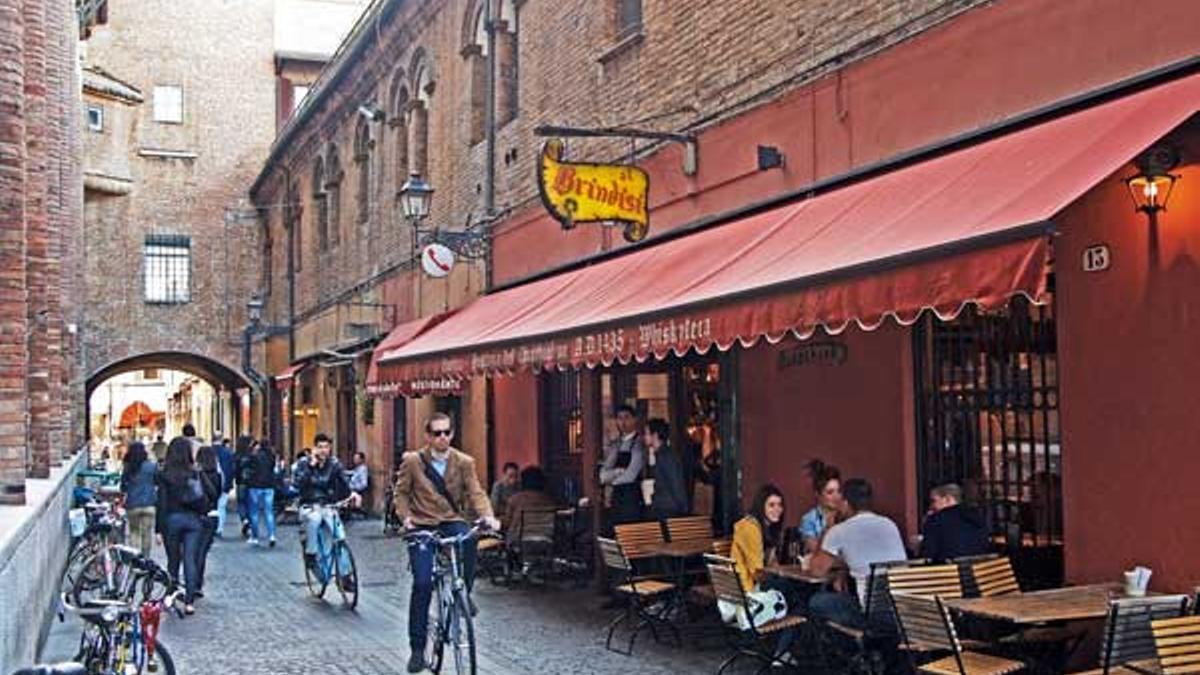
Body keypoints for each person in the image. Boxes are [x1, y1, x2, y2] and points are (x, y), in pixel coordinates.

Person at [393, 413, 498, 674]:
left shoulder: (464, 462)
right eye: (437, 433)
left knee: (470, 538)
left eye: (446, 432)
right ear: (428, 436)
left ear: (452, 434)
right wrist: (406, 519)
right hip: (422, 524)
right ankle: (418, 648)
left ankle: (464, 593)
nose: (442, 437)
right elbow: (401, 493)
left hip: (451, 520)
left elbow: (476, 492)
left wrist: (488, 516)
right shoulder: (413, 461)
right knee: (422, 583)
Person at [808, 478, 908, 629]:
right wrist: (842, 572)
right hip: (901, 612)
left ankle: (842, 642)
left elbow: (816, 571)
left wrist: (827, 529)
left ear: (846, 503)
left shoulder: (839, 531)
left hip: (871, 616)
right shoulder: (889, 524)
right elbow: (866, 557)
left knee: (816, 601)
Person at [294, 434, 360, 584]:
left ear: (330, 448)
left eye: (326, 447)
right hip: (309, 505)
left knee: (340, 536)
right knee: (314, 519)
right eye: (320, 447)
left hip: (328, 505)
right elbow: (298, 484)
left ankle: (345, 576)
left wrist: (352, 494)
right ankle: (311, 555)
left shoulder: (334, 464)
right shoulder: (304, 463)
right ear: (315, 448)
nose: (323, 450)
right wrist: (311, 466)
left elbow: (344, 482)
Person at [155, 437, 208, 614]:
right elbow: (203, 497)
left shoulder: (164, 474)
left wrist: (158, 528)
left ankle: (170, 595)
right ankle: (189, 601)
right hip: (192, 520)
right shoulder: (194, 473)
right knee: (190, 559)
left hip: (172, 520)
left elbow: (161, 503)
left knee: (173, 560)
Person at [599, 404, 645, 527]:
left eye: (626, 417)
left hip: (632, 496)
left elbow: (631, 474)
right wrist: (616, 472)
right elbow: (603, 474)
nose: (623, 422)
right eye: (619, 418)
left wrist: (612, 479)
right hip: (616, 496)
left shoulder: (639, 443)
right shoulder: (616, 444)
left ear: (634, 420)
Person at [918, 483, 990, 562]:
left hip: (949, 568)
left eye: (934, 501)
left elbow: (928, 555)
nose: (931, 506)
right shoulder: (976, 516)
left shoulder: (935, 520)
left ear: (948, 499)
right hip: (979, 567)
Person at [194, 446, 224, 597]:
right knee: (203, 552)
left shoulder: (197, 475)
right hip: (212, 515)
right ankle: (198, 582)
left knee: (194, 551)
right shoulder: (217, 476)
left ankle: (193, 581)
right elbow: (218, 494)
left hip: (198, 515)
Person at [644, 418, 688, 520]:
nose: (644, 437)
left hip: (668, 508)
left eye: (646, 433)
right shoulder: (661, 454)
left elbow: (675, 483)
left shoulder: (665, 456)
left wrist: (683, 507)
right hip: (664, 507)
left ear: (655, 435)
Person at [120, 441, 157, 557]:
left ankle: (134, 559)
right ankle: (145, 558)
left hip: (133, 504)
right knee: (147, 534)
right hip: (149, 504)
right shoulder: (151, 466)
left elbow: (123, 486)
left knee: (134, 532)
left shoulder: (128, 467)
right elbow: (157, 481)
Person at [798, 459, 843, 555]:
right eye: (830, 492)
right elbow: (815, 551)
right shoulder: (809, 520)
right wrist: (828, 528)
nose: (836, 497)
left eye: (839, 491)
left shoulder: (847, 515)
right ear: (818, 494)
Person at [504, 465, 557, 534]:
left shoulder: (514, 500)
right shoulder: (550, 501)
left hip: (520, 539)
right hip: (545, 538)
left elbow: (507, 523)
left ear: (523, 482)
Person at [245, 441, 278, 547]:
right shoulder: (272, 457)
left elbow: (248, 466)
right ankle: (272, 535)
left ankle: (255, 537)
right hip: (269, 486)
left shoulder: (254, 456)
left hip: (255, 485)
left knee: (254, 512)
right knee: (269, 512)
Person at [233, 435, 255, 539]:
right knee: (250, 504)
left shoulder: (236, 456)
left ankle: (244, 519)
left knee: (241, 503)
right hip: (251, 483)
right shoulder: (252, 455)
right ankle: (249, 523)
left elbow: (234, 469)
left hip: (240, 482)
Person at [213, 435, 235, 538]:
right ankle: (219, 528)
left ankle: (213, 526)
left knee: (212, 506)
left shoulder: (207, 451)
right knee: (221, 506)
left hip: (210, 483)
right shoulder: (228, 453)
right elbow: (231, 469)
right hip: (225, 483)